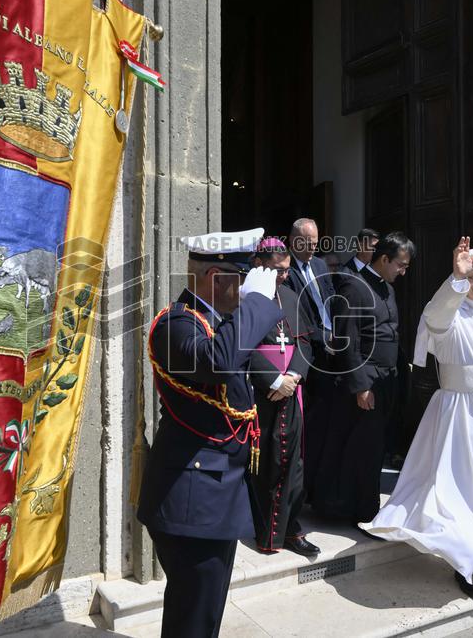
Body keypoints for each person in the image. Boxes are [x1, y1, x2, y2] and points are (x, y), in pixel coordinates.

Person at [364, 238, 473, 600]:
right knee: (464, 492)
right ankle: (467, 564)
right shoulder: (447, 314)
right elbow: (435, 315)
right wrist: (456, 280)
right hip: (463, 414)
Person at [137, 228, 283, 637]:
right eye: (241, 275)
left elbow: (240, 361)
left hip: (215, 492)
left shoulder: (218, 322)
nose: (246, 286)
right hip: (190, 499)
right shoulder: (176, 325)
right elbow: (217, 361)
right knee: (193, 616)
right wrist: (256, 301)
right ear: (215, 276)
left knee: (204, 610)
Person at [314, 231, 414, 525]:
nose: (403, 271)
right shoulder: (354, 288)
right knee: (361, 452)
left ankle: (365, 507)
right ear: (384, 259)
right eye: (401, 265)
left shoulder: (387, 288)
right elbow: (349, 340)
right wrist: (361, 387)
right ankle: (360, 511)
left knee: (374, 451)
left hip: (386, 381)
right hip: (365, 384)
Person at [246, 237, 317, 556]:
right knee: (266, 464)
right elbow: (239, 347)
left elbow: (305, 344)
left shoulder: (290, 295)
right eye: (278, 271)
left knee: (295, 464)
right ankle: (267, 533)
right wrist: (273, 379)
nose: (284, 277)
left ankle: (291, 529)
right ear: (259, 264)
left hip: (291, 390)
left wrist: (293, 376)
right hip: (261, 394)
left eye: (287, 271)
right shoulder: (242, 297)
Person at [283, 218, 336, 501]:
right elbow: (294, 314)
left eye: (316, 243)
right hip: (305, 351)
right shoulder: (285, 269)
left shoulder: (318, 265)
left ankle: (320, 483)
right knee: (307, 423)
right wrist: (319, 336)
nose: (313, 248)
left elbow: (328, 297)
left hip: (330, 351)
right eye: (307, 243)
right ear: (293, 242)